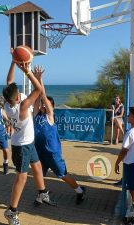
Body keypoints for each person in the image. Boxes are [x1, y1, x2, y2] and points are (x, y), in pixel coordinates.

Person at [2, 60, 55, 225]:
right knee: (22, 178)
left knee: (37, 166)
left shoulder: (8, 102)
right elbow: (39, 90)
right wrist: (29, 73)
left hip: (27, 142)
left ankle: (42, 193)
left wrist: (12, 62)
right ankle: (11, 210)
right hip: (22, 147)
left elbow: (9, 82)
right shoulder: (23, 106)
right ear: (17, 97)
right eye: (18, 91)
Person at [33, 67, 86, 205]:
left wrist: (40, 78)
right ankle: (41, 195)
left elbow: (43, 95)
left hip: (52, 153)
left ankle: (80, 191)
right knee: (39, 176)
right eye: (43, 104)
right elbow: (38, 95)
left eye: (46, 104)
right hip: (39, 152)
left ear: (51, 107)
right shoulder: (36, 115)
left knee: (63, 175)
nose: (43, 105)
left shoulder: (50, 116)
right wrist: (35, 81)